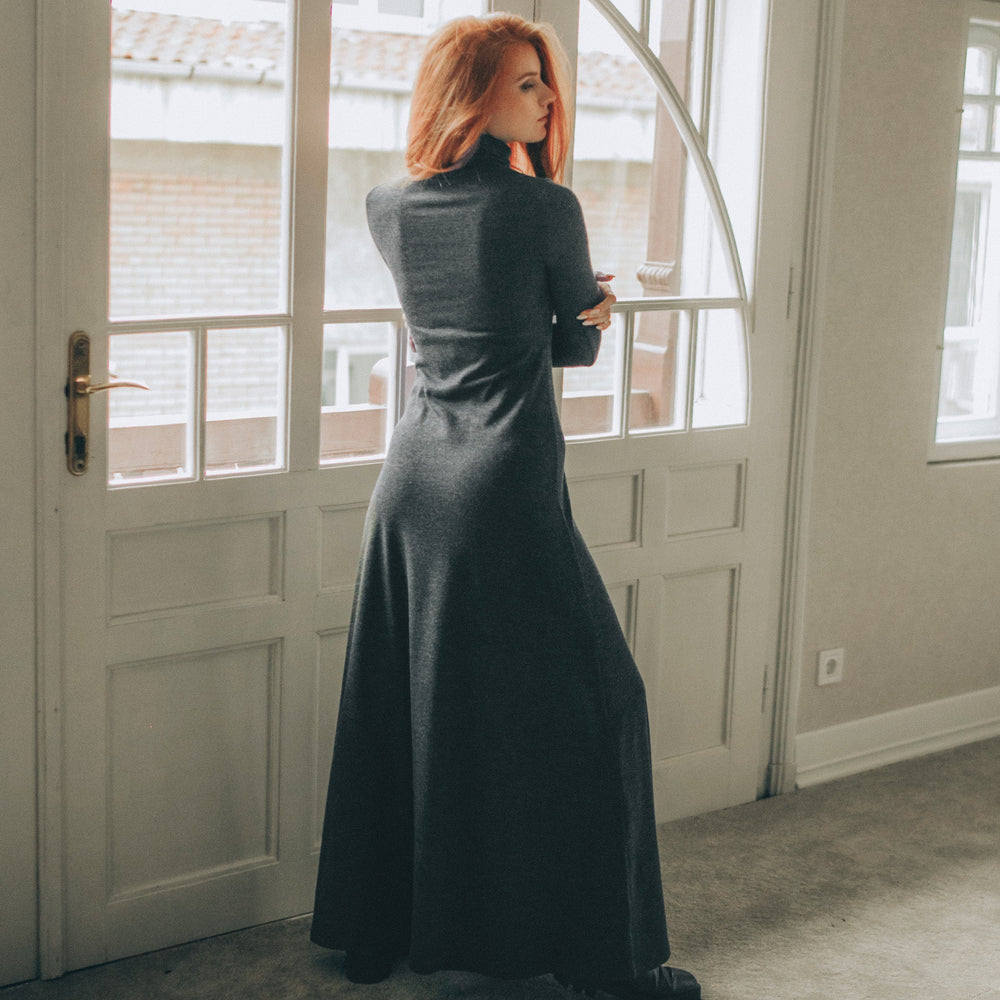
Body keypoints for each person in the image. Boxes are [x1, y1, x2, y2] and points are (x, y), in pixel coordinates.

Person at [310, 13, 700, 1000]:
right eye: (528, 83)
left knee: (408, 702)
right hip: (502, 481)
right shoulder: (545, 208)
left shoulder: (385, 205)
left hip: (411, 483)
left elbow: (465, 329)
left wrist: (553, 318)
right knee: (603, 704)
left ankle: (374, 931)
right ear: (473, 89)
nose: (546, 100)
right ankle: (612, 965)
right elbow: (560, 345)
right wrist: (597, 316)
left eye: (547, 84)